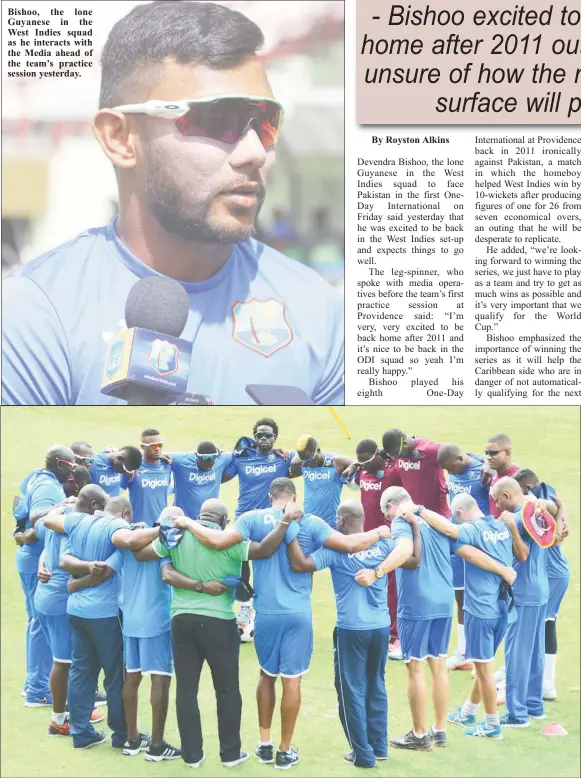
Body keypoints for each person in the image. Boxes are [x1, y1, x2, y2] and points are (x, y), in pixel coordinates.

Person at [2, 1, 344, 406]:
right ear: (119, 137)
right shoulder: (35, 313)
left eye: (266, 122)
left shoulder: (319, 312)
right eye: (218, 120)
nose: (255, 152)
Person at [183, 479, 391, 770]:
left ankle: (264, 744)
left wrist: (186, 523)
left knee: (266, 676)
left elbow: (217, 541)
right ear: (295, 496)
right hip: (298, 615)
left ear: (270, 496)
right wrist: (381, 531)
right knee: (292, 681)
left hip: (266, 614)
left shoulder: (252, 519)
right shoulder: (312, 522)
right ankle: (284, 750)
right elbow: (348, 543)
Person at [136, 500, 298, 769]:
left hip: (182, 620)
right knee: (227, 690)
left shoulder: (178, 537)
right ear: (224, 521)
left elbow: (141, 554)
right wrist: (283, 522)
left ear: (199, 516)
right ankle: (230, 754)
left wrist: (161, 542)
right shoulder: (229, 540)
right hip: (220, 623)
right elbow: (266, 549)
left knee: (186, 690)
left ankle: (191, 755)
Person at [358, 486, 517, 752]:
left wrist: (377, 572)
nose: (387, 517)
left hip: (417, 604)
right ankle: (439, 730)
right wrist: (502, 569)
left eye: (386, 512)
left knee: (415, 667)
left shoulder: (402, 521)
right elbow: (468, 551)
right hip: (444, 603)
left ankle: (420, 735)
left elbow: (405, 549)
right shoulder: (439, 523)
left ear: (391, 506)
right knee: (439, 664)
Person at [287, 502, 421, 768]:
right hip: (381, 628)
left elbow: (301, 565)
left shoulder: (336, 550)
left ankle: (363, 754)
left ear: (340, 519)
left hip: (351, 630)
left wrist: (288, 531)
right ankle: (379, 746)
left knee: (351, 691)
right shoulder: (383, 546)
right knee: (375, 685)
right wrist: (415, 527)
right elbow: (414, 560)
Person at [43, 496, 159, 749]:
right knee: (115, 676)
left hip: (75, 610)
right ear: (125, 513)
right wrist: (162, 528)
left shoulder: (78, 521)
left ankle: (81, 733)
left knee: (81, 672)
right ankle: (122, 735)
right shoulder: (116, 529)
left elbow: (49, 522)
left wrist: (76, 583)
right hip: (105, 613)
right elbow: (107, 569)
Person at [416, 493, 516, 740]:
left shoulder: (470, 530)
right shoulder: (502, 526)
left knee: (483, 669)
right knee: (485, 663)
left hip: (480, 609)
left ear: (459, 514)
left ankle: (492, 725)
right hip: (503, 606)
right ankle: (469, 711)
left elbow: (453, 534)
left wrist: (419, 510)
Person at [15, 485, 109, 734]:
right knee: (65, 661)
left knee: (70, 659)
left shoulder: (56, 518)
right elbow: (69, 563)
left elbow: (46, 547)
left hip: (45, 598)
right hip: (59, 601)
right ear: (93, 507)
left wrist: (41, 563)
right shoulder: (75, 527)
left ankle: (78, 708)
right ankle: (59, 720)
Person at [490, 477, 563, 728]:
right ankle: (534, 706)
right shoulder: (535, 513)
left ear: (508, 496)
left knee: (517, 654)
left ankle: (517, 714)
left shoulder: (519, 518)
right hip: (541, 589)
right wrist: (553, 506)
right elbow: (554, 529)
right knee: (534, 649)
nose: (497, 505)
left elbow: (522, 554)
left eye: (498, 500)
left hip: (523, 591)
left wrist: (510, 527)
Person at [114, 506, 180, 761]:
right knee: (160, 678)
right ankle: (156, 745)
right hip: (157, 622)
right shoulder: (167, 545)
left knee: (131, 678)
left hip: (131, 620)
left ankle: (132, 740)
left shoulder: (130, 543)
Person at [223, 418, 297, 641]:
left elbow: (307, 457)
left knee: (268, 565)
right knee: (241, 564)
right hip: (244, 520)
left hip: (272, 521)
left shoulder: (283, 459)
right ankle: (245, 607)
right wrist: (228, 453)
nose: (263, 439)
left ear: (275, 437)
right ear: (254, 438)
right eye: (259, 435)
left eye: (268, 435)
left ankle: (263, 612)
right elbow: (219, 474)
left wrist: (291, 453)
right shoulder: (242, 459)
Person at [13, 445, 76, 707]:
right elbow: (39, 518)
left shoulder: (37, 476)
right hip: (37, 562)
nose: (73, 475)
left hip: (35, 558)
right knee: (39, 623)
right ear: (59, 464)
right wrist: (61, 506)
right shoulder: (49, 488)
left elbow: (19, 502)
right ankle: (38, 689)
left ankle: (34, 682)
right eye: (71, 467)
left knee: (37, 622)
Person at [513, 469, 570, 703]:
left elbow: (555, 536)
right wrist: (562, 510)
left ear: (526, 490)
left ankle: (545, 684)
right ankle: (523, 674)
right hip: (551, 571)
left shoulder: (536, 505)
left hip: (552, 573)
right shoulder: (549, 494)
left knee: (544, 626)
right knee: (539, 624)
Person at [344, 439, 402, 658]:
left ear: (378, 454)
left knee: (393, 587)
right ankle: (379, 630)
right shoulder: (362, 472)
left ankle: (397, 636)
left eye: (367, 460)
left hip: (389, 540)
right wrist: (355, 466)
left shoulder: (393, 472)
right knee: (372, 587)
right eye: (361, 462)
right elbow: (347, 477)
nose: (364, 465)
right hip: (367, 540)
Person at [437, 443, 490, 672]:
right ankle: (463, 652)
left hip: (478, 543)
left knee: (482, 600)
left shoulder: (483, 471)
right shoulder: (457, 468)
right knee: (459, 597)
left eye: (452, 469)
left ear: (460, 459)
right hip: (456, 543)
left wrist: (486, 463)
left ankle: (481, 654)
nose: (450, 474)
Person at [290, 435, 353, 530]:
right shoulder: (302, 461)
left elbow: (359, 465)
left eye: (310, 460)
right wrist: (295, 456)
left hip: (331, 525)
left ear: (318, 450)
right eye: (303, 460)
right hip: (308, 523)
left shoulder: (336, 462)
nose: (307, 463)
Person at [170, 441, 234, 518]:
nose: (209, 461)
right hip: (184, 519)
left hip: (208, 520)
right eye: (205, 458)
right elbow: (159, 455)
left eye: (213, 457)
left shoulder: (220, 459)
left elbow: (239, 455)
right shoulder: (182, 461)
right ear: (197, 456)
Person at [121, 429, 172, 526]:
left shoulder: (166, 465)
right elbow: (117, 493)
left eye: (160, 445)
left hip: (162, 526)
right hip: (139, 527)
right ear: (142, 447)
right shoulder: (133, 468)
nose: (158, 449)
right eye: (153, 446)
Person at [484, 434, 520, 518]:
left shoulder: (518, 478)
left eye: (493, 453)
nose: (488, 457)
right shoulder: (493, 474)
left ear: (507, 453)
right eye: (487, 453)